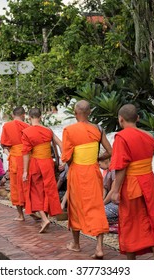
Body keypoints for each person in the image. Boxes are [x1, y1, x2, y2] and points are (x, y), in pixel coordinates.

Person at [109, 104, 154, 260]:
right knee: (149, 216)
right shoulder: (150, 136)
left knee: (130, 221)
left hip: (131, 184)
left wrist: (115, 190)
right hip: (148, 181)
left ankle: (132, 260)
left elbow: (121, 167)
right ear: (138, 118)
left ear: (120, 119)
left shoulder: (121, 137)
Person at [61, 100, 112, 259]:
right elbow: (110, 151)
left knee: (75, 206)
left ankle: (76, 244)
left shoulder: (69, 130)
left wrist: (76, 162)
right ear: (89, 112)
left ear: (75, 113)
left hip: (77, 172)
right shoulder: (98, 129)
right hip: (93, 171)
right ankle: (99, 248)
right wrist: (96, 158)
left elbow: (66, 157)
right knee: (96, 206)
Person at [21, 108, 62, 233]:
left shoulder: (27, 132)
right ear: (41, 116)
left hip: (36, 163)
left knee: (35, 191)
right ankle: (47, 215)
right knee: (48, 189)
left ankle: (44, 219)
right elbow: (60, 144)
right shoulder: (48, 130)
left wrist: (25, 171)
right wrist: (62, 160)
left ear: (29, 117)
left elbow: (26, 153)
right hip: (48, 162)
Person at [0, 107, 30, 221]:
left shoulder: (7, 126)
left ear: (13, 115)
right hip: (26, 158)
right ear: (23, 115)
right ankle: (31, 209)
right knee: (27, 184)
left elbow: (3, 143)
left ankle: (20, 215)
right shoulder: (28, 126)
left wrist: (8, 151)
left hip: (14, 159)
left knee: (15, 186)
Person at [98, 158, 118, 224]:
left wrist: (103, 204)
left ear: (105, 161)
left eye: (99, 164)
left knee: (97, 214)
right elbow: (105, 188)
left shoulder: (115, 170)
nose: (99, 166)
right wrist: (101, 201)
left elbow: (113, 191)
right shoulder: (108, 171)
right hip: (110, 202)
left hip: (117, 203)